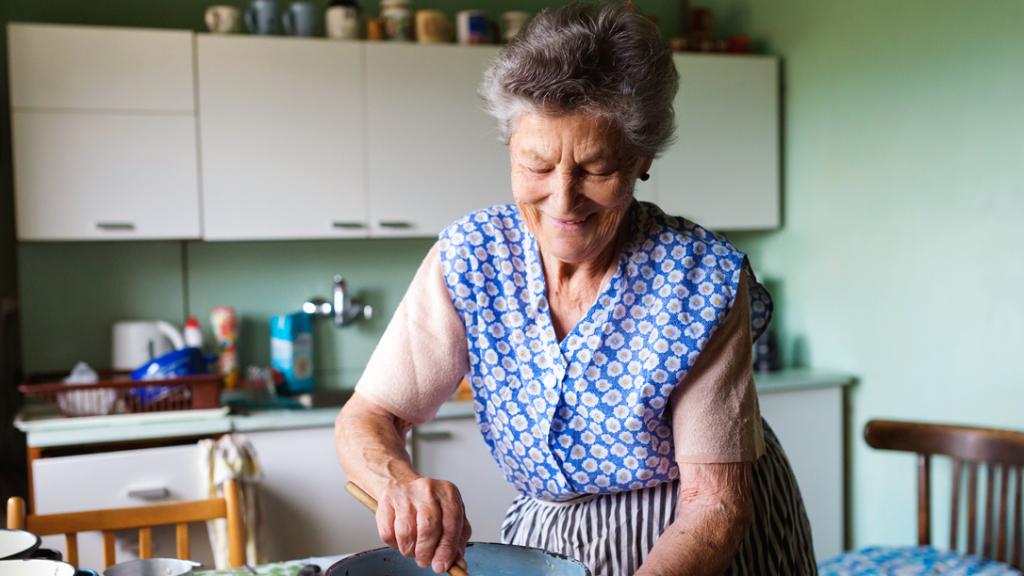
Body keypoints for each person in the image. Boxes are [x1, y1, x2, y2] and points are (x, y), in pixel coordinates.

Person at [335, 3, 816, 574]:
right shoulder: (470, 256)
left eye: (595, 169)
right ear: (510, 146)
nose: (564, 201)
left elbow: (712, 506)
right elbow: (369, 414)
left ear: (642, 158)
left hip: (699, 548)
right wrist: (399, 483)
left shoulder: (700, 280)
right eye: (537, 166)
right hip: (552, 539)